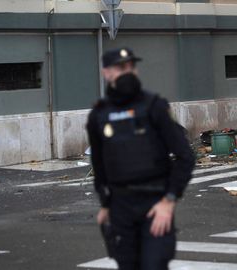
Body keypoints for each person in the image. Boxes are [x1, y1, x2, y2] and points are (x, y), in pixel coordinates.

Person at [86, 47, 195, 270]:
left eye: (131, 67)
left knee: (154, 264)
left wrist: (169, 200)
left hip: (154, 204)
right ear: (106, 72)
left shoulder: (154, 106)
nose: (128, 72)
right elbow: (99, 164)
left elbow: (185, 156)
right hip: (120, 208)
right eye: (120, 68)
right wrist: (105, 205)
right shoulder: (99, 115)